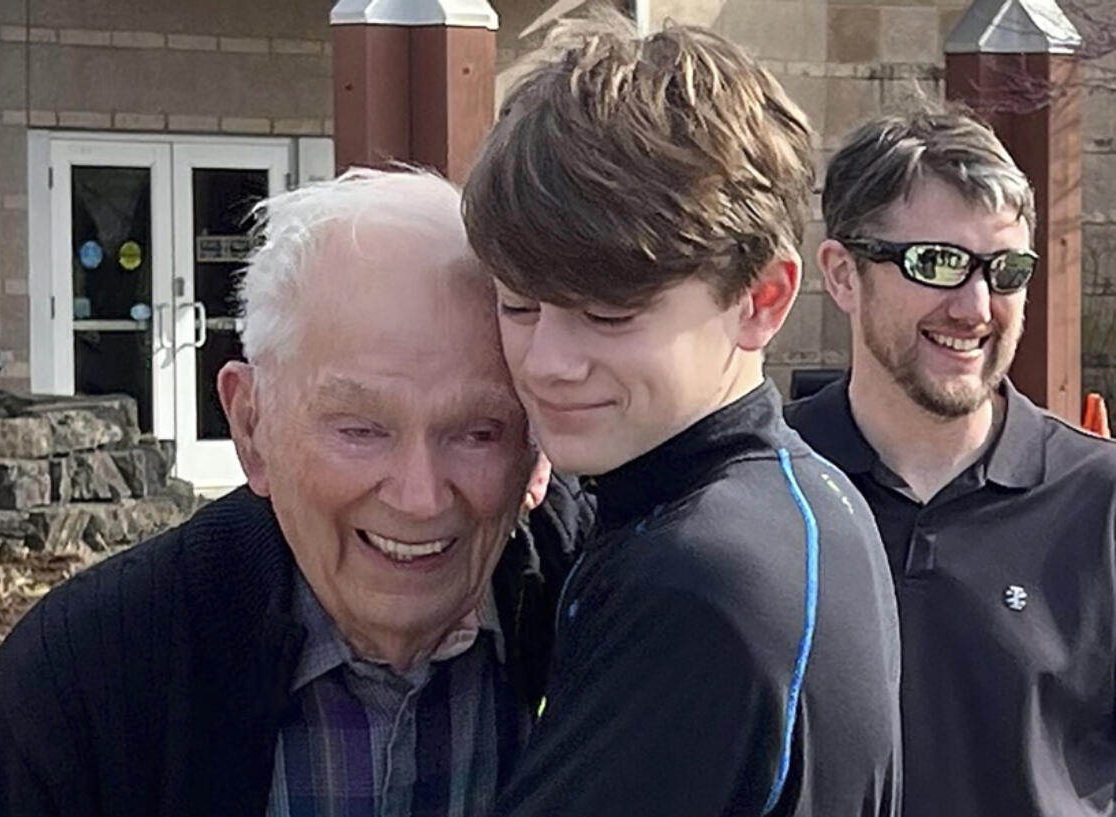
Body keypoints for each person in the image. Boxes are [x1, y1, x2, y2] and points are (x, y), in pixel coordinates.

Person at [0, 168, 588, 817]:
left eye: (479, 432)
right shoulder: (94, 675)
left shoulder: (613, 617)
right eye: (360, 429)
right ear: (250, 425)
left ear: (537, 448)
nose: (419, 496)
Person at [461, 17, 901, 817]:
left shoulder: (699, 576)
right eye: (518, 304)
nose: (548, 361)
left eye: (607, 314)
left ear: (761, 299)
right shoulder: (808, 498)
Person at [786, 107, 1116, 817]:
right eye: (936, 263)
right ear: (843, 276)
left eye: (1005, 270)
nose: (975, 306)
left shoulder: (1102, 499)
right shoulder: (765, 489)